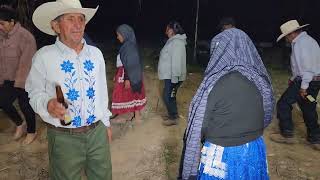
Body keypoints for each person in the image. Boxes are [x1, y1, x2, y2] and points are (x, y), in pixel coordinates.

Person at [25, 0, 112, 179]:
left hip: (97, 133)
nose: (77, 25)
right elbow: (34, 92)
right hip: (64, 138)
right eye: (70, 19)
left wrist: (106, 124)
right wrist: (47, 104)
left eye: (81, 19)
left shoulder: (96, 55)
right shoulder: (44, 57)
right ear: (56, 26)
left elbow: (102, 93)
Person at [179, 28, 274, 179]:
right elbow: (267, 115)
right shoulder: (259, 81)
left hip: (222, 154)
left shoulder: (214, 83)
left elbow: (199, 127)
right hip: (254, 149)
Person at [271, 20, 320, 149]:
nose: (286, 39)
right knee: (308, 107)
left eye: (286, 36)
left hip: (306, 80)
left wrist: (303, 87)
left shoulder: (300, 44)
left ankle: (287, 135)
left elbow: (307, 68)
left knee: (283, 103)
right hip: (314, 80)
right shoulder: (309, 41)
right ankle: (315, 139)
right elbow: (304, 65)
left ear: (292, 34)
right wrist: (294, 78)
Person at [0, 7, 37, 144]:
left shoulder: (26, 37)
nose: (0, 27)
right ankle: (20, 124)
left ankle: (32, 132)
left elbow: (26, 64)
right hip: (8, 77)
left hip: (25, 78)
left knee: (25, 105)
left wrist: (19, 85)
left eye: (2, 23)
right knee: (3, 102)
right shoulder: (1, 35)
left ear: (12, 22)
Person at [111, 24, 146, 122]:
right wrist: (116, 74)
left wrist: (127, 79)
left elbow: (131, 65)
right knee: (125, 94)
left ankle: (137, 115)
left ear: (125, 34)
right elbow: (123, 61)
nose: (117, 37)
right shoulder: (127, 45)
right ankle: (121, 113)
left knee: (130, 93)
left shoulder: (129, 47)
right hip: (124, 73)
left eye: (119, 35)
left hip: (128, 74)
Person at [158, 21, 187, 126]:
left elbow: (176, 61)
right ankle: (172, 114)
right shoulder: (173, 41)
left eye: (167, 29)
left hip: (174, 76)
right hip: (170, 75)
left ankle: (174, 117)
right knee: (170, 95)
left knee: (168, 96)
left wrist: (174, 79)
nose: (165, 31)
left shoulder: (177, 42)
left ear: (171, 30)